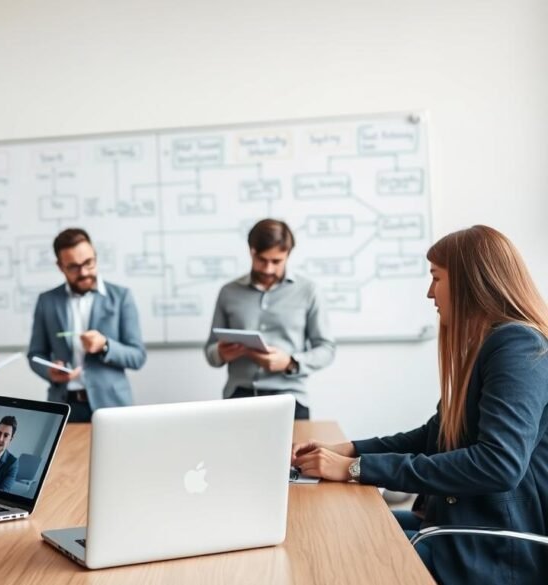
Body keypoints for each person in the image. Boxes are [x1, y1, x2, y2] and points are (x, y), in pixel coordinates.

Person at [292, 225, 548, 585]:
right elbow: (435, 433)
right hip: (459, 525)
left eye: (436, 278)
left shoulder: (516, 346)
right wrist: (346, 449)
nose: (430, 293)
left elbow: (498, 464)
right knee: (342, 529)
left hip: (495, 545)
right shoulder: (489, 345)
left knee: (343, 549)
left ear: (470, 282)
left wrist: (355, 468)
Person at [204, 219, 335, 419]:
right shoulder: (228, 292)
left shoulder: (309, 291)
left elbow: (326, 349)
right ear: (251, 251)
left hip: (290, 401)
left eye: (276, 261)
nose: (268, 269)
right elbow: (210, 351)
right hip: (237, 399)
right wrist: (221, 353)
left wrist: (290, 362)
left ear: (288, 255)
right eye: (262, 260)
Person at [27, 228, 146, 422]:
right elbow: (35, 354)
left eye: (88, 263)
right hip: (64, 405)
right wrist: (49, 371)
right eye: (73, 267)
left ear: (95, 257)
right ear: (60, 266)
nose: (83, 273)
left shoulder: (121, 297)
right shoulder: (47, 301)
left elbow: (138, 356)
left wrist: (105, 345)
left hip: (111, 405)